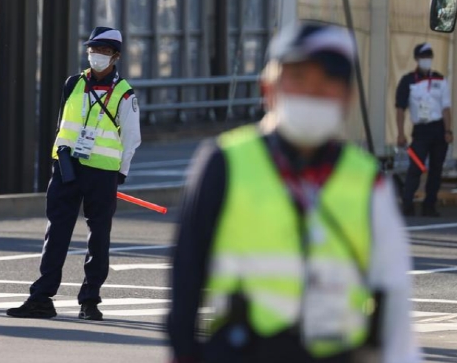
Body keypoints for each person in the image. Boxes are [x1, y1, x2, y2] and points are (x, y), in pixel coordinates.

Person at [167, 22, 420, 363]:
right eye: (299, 79)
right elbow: (186, 276)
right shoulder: (223, 163)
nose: (312, 93)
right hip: (243, 351)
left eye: (327, 83)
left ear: (348, 97)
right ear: (268, 87)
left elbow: (393, 290)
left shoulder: (367, 179)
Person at [7, 27, 141, 320]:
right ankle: (41, 297)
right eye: (93, 50)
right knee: (56, 233)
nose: (97, 56)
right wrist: (59, 158)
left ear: (116, 56)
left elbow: (132, 137)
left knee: (98, 237)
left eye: (104, 51)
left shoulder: (124, 92)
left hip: (102, 172)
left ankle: (90, 300)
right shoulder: (73, 83)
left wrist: (121, 173)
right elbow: (62, 124)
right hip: (67, 167)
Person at [395, 43, 453, 217]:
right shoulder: (408, 81)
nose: (426, 60)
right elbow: (400, 109)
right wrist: (400, 133)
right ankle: (407, 205)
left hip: (438, 129)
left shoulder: (440, 79)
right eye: (423, 57)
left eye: (429, 56)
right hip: (420, 130)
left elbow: (446, 108)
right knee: (416, 168)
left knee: (436, 169)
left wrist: (448, 131)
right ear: (416, 59)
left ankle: (429, 206)